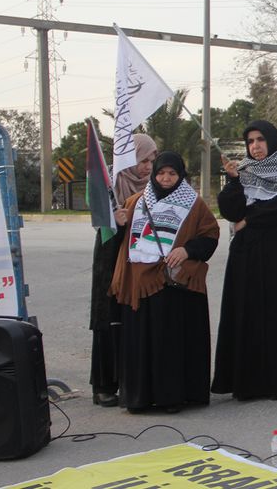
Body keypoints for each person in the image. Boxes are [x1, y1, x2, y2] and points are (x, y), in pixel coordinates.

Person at [211, 120, 277, 400]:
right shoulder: (243, 171)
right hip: (247, 258)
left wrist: (250, 218)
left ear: (271, 140)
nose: (255, 146)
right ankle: (252, 383)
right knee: (249, 315)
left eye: (260, 140)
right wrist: (233, 181)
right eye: (250, 142)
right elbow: (230, 210)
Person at [109, 151, 219, 413]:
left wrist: (188, 251)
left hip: (173, 285)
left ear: (181, 175)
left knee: (171, 342)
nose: (166, 178)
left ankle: (173, 397)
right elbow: (117, 243)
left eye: (172, 173)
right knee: (141, 342)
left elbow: (210, 235)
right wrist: (118, 226)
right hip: (140, 283)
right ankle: (140, 398)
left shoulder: (194, 203)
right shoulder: (135, 201)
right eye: (161, 173)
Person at [89, 133, 156, 407]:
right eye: (143, 159)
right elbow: (100, 225)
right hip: (110, 258)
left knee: (133, 321)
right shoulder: (113, 187)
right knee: (108, 321)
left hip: (138, 263)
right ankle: (104, 385)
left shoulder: (153, 188)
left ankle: (133, 381)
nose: (148, 166)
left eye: (152, 159)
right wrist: (115, 223)